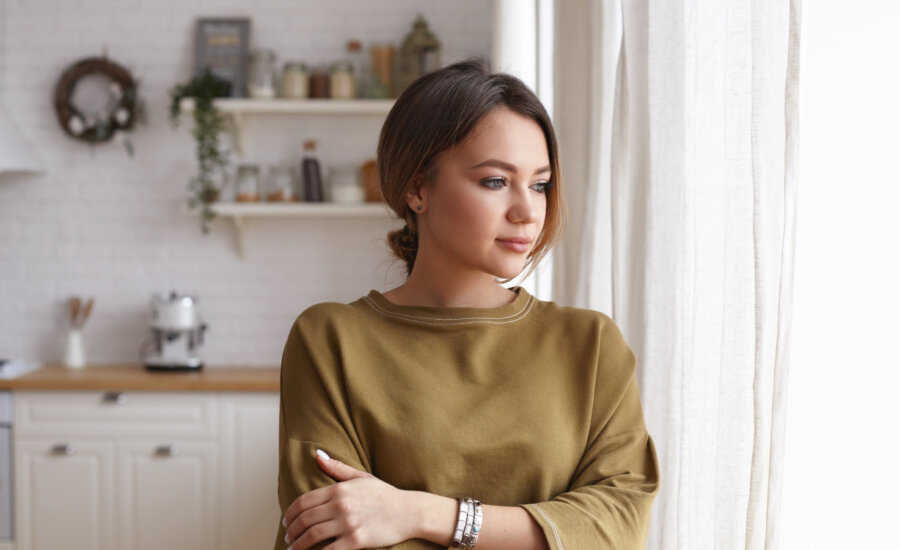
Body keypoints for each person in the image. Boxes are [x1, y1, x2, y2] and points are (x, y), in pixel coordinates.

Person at [275, 59, 660, 550]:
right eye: (495, 182)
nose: (527, 211)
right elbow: (332, 534)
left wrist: (420, 513)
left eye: (539, 184)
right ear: (417, 189)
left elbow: (618, 526)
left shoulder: (590, 343)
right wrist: (545, 530)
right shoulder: (330, 338)